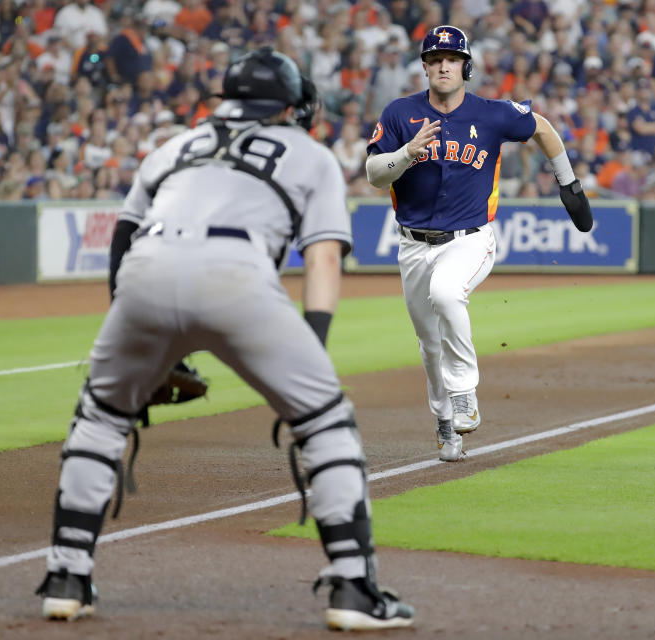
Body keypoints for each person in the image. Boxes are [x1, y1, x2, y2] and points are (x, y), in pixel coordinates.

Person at [34, 47, 415, 632]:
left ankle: (65, 576)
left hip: (146, 269)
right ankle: (352, 587)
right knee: (323, 421)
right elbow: (321, 258)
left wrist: (144, 341)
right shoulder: (310, 153)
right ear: (289, 105)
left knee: (102, 417)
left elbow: (123, 238)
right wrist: (314, 343)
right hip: (238, 273)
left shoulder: (171, 145)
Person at [365, 25, 593, 462]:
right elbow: (375, 173)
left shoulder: (491, 113)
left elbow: (541, 127)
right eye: (434, 59)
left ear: (465, 66)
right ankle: (446, 423)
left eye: (451, 58)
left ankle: (465, 391)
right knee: (429, 345)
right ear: (426, 68)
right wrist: (408, 152)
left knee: (447, 294)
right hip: (413, 245)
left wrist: (569, 183)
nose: (443, 65)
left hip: (470, 238)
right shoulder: (400, 113)